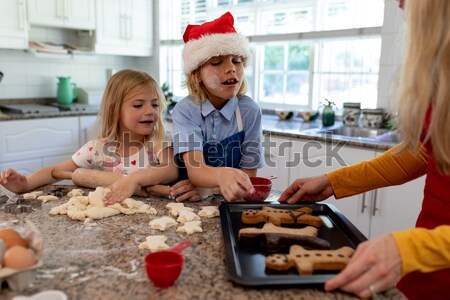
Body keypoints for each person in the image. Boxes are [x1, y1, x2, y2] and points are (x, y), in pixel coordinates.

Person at [279, 1, 450, 299]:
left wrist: (409, 248)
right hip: (428, 271)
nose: (398, 3)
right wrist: (333, 181)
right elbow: (422, 154)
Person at [0, 69, 197, 203]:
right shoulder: (96, 150)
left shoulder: (158, 144)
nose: (149, 111)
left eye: (154, 104)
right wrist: (25, 183)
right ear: (114, 110)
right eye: (138, 105)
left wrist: (133, 180)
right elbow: (55, 172)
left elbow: (169, 170)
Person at [171, 12, 264, 202]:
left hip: (227, 201)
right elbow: (196, 170)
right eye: (216, 62)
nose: (231, 68)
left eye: (237, 61)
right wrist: (221, 178)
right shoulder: (186, 110)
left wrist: (210, 190)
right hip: (187, 201)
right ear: (197, 75)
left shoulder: (249, 112)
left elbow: (249, 175)